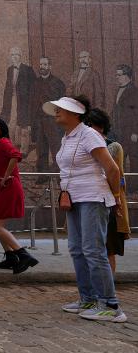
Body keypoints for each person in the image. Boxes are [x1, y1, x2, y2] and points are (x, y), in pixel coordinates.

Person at [43, 96, 127, 323]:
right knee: (77, 249)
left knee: (93, 249)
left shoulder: (89, 134)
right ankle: (88, 299)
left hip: (93, 197)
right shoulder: (68, 137)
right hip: (73, 199)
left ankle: (110, 305)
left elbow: (112, 169)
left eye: (62, 109)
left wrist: (115, 197)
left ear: (75, 113)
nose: (57, 112)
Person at [0, 117, 38, 274]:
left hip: (9, 188)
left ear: (1, 129)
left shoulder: (4, 143)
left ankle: (23, 255)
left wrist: (7, 176)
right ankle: (10, 257)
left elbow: (16, 155)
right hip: (4, 190)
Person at [86, 108, 130, 274]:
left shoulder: (113, 147)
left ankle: (107, 288)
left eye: (93, 125)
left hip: (109, 203)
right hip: (89, 201)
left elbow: (119, 176)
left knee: (108, 249)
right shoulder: (83, 145)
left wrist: (117, 199)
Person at [32, 57, 65, 182]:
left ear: (50, 66)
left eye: (45, 64)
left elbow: (62, 104)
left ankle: (59, 176)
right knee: (41, 150)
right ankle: (42, 175)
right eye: (41, 64)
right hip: (39, 122)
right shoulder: (35, 83)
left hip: (53, 122)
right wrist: (33, 122)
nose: (42, 66)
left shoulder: (58, 83)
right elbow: (32, 104)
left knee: (56, 150)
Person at [0, 47, 35, 154]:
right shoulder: (9, 69)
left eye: (16, 55)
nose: (14, 57)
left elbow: (33, 87)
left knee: (24, 124)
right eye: (12, 55)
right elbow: (8, 87)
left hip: (24, 102)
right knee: (12, 123)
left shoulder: (28, 69)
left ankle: (24, 150)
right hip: (12, 100)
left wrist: (29, 101)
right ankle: (11, 147)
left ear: (21, 56)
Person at [111, 64, 138, 172]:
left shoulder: (134, 91)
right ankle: (122, 186)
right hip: (119, 132)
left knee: (134, 162)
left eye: (119, 75)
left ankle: (134, 187)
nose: (117, 77)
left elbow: (136, 113)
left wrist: (135, 132)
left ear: (127, 76)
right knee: (119, 160)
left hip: (130, 133)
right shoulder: (118, 90)